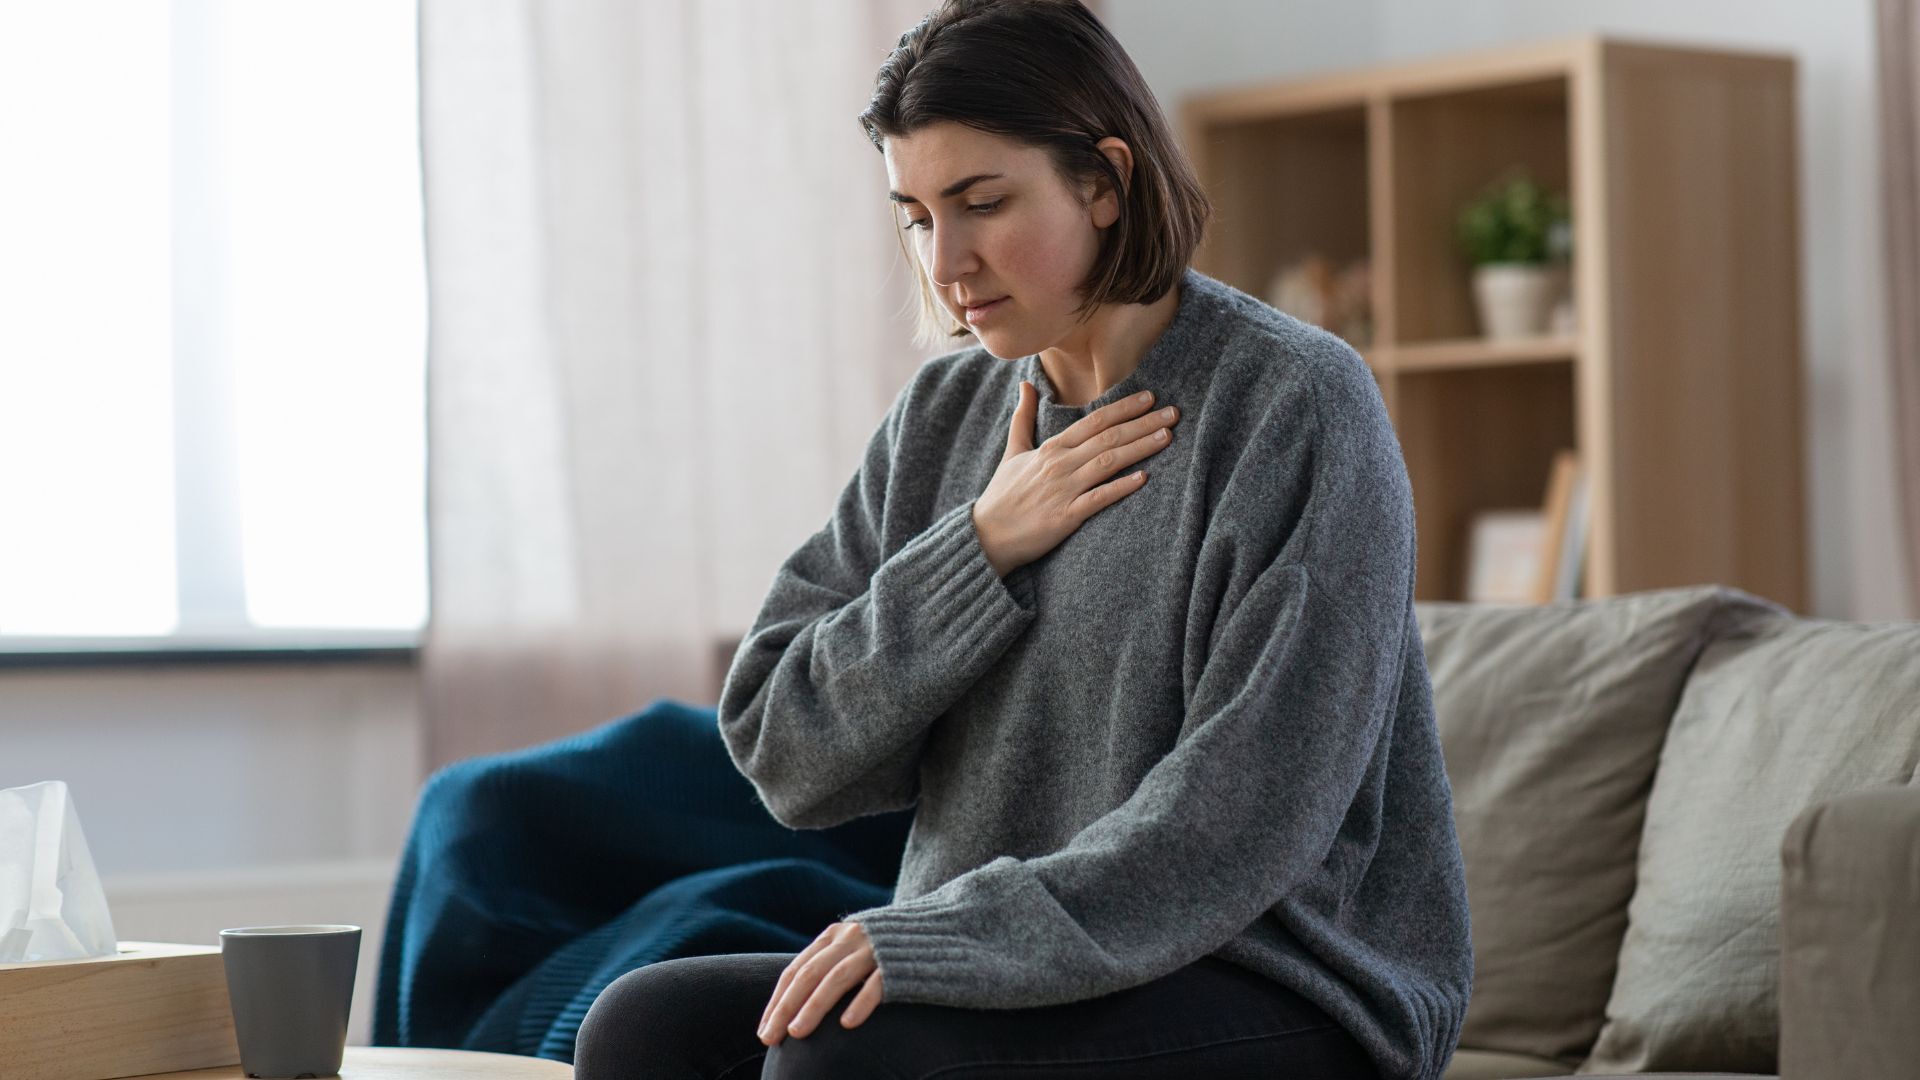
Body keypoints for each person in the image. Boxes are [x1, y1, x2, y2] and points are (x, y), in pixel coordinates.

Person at [573, 1, 1473, 1077]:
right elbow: (782, 749)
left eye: (981, 202)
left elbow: (1240, 823)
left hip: (1278, 975)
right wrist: (980, 546)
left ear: (1104, 180)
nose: (945, 260)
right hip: (1011, 964)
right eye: (915, 214)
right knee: (643, 1029)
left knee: (842, 1061)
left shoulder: (1298, 406)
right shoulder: (945, 416)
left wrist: (948, 939)